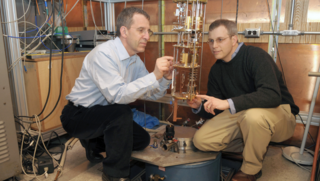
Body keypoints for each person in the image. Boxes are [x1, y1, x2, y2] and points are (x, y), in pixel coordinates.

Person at [60, 7, 173, 181]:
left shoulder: (134, 60)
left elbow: (152, 94)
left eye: (148, 31)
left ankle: (94, 143)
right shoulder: (103, 54)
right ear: (124, 31)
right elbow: (118, 96)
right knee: (121, 112)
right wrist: (155, 75)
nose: (147, 37)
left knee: (141, 140)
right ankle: (114, 175)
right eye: (141, 30)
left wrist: (164, 79)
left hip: (104, 115)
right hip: (77, 116)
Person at [187, 19, 299, 181]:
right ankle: (255, 143)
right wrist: (200, 107)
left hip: (279, 113)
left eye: (220, 40)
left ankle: (250, 170)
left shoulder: (255, 56)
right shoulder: (216, 70)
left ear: (234, 39)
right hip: (242, 114)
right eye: (211, 41)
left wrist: (227, 103)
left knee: (253, 117)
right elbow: (216, 110)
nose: (214, 46)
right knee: (201, 141)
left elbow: (272, 95)